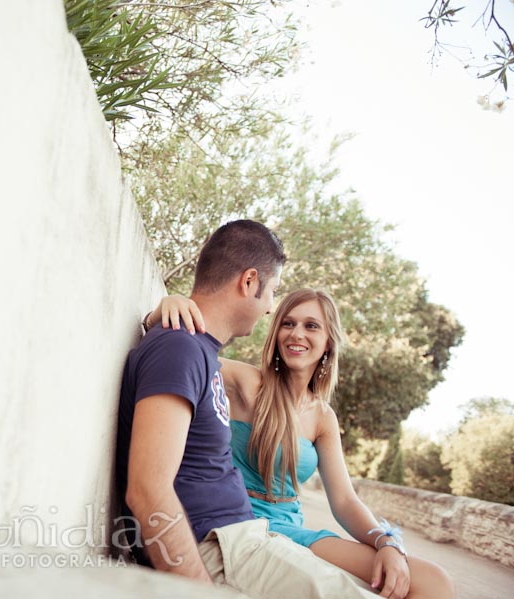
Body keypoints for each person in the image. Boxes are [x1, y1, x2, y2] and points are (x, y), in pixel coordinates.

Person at [116, 219, 379, 599]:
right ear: (250, 282)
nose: (270, 308)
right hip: (223, 547)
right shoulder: (181, 349)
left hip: (244, 539)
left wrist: (385, 541)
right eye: (272, 292)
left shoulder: (199, 352)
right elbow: (146, 491)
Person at [146, 288, 454, 599]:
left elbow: (345, 501)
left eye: (311, 326)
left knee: (431, 582)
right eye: (288, 323)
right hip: (239, 522)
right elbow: (183, 352)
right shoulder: (246, 382)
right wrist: (161, 311)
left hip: (294, 528)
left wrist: (386, 541)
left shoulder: (323, 417)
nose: (297, 334)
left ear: (328, 341)